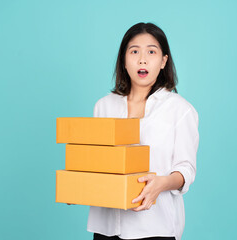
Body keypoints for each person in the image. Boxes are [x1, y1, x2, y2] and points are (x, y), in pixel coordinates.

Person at [87, 22, 199, 240]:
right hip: (106, 226)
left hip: (155, 226)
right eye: (134, 51)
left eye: (151, 51)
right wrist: (80, 184)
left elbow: (186, 169)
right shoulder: (103, 106)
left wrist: (162, 183)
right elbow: (95, 161)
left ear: (163, 61)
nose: (142, 59)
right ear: (124, 60)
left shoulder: (180, 109)